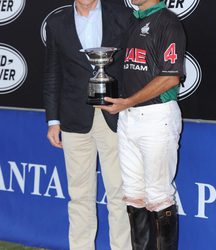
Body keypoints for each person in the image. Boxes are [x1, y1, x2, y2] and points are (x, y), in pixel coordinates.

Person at [43, 0, 132, 249]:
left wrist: (129, 106)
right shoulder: (57, 22)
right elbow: (52, 73)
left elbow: (133, 67)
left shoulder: (122, 16)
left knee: (119, 194)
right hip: (73, 120)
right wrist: (53, 120)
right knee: (79, 195)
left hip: (114, 117)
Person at [97, 0, 186, 249]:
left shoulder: (168, 22)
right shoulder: (133, 21)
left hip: (157, 116)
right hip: (129, 118)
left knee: (158, 195)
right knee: (134, 194)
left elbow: (171, 77)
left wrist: (129, 101)